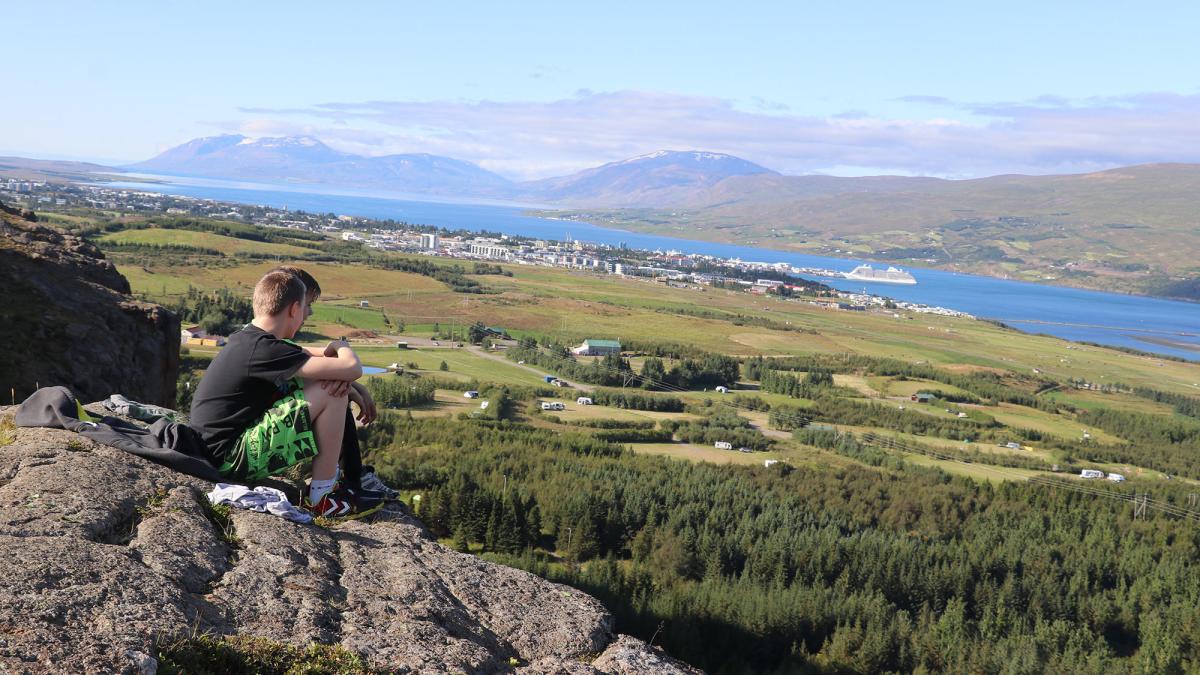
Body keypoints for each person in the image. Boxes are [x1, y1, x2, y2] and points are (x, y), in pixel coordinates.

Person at [189, 270, 381, 518]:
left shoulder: (252, 340)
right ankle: (323, 498)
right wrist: (342, 345)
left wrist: (350, 383)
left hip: (215, 450)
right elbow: (351, 368)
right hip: (229, 457)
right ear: (293, 309)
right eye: (305, 309)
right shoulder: (263, 349)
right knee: (330, 392)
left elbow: (313, 356)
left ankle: (331, 485)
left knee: (331, 383)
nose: (306, 316)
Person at [268, 265, 400, 500]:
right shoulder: (270, 346)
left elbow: (314, 361)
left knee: (337, 385)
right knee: (335, 389)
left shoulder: (267, 341)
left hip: (269, 432)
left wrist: (356, 387)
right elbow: (345, 368)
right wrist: (348, 380)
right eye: (306, 304)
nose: (309, 313)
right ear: (292, 305)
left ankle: (351, 476)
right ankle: (347, 481)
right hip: (262, 440)